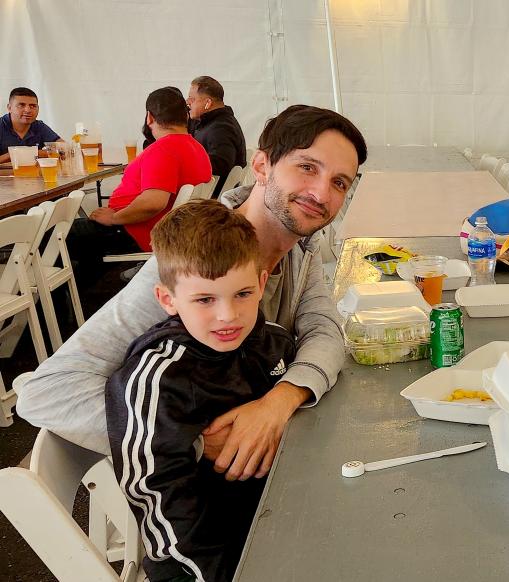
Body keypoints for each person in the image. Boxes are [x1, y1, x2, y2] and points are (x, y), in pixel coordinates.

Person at [18, 104, 367, 484]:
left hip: (264, 470)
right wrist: (196, 440)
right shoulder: (195, 266)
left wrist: (281, 399)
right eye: (308, 167)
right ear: (262, 166)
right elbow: (47, 392)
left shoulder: (299, 246)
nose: (321, 193)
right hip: (194, 499)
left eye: (339, 182)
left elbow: (324, 330)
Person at [107, 200, 293, 582]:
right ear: (167, 300)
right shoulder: (158, 378)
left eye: (242, 294)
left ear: (261, 284)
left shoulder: (274, 343)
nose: (228, 315)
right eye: (205, 299)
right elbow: (158, 497)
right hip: (206, 564)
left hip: (279, 526)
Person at [67, 87, 211, 285]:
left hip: (137, 231)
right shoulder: (197, 147)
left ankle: (61, 302)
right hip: (167, 230)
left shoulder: (163, 149)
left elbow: (153, 203)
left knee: (57, 235)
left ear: (149, 117)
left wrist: (114, 218)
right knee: (77, 239)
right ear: (185, 116)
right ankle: (89, 288)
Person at [188, 75, 247, 193]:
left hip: (211, 197)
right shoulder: (211, 123)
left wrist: (186, 162)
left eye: (192, 99)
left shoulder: (221, 128)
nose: (188, 103)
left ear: (208, 103)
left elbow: (221, 165)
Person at [0, 87, 61, 164]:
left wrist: (19, 154)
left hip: (33, 171)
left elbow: (63, 150)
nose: (28, 110)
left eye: (32, 106)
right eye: (21, 105)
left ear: (38, 108)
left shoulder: (39, 126)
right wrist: (11, 155)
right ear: (9, 108)